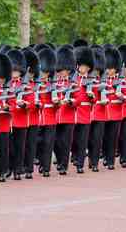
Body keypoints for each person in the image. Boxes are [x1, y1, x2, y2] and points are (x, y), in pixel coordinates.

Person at [7, 49, 32, 180]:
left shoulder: (25, 84)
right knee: (9, 147)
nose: (14, 73)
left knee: (20, 146)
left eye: (16, 71)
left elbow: (31, 102)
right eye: (12, 70)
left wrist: (24, 104)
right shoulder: (6, 84)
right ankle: (10, 168)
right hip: (9, 119)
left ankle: (18, 169)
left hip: (21, 119)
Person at [71, 45, 96, 173]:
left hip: (85, 113)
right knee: (73, 139)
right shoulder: (72, 79)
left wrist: (92, 97)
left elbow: (96, 99)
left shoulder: (92, 80)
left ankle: (80, 164)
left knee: (82, 140)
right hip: (73, 113)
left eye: (85, 66)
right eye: (81, 66)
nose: (83, 68)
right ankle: (74, 157)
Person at [54, 46, 77, 175]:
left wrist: (70, 102)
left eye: (65, 70)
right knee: (56, 141)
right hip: (57, 115)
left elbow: (77, 98)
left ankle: (64, 165)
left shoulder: (73, 83)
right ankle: (60, 160)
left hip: (68, 115)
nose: (63, 72)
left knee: (65, 142)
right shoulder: (55, 82)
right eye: (61, 69)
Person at [35, 47, 58, 177]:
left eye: (44, 72)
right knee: (38, 142)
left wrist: (57, 103)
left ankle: (46, 167)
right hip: (38, 117)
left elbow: (57, 100)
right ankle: (39, 161)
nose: (42, 74)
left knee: (48, 143)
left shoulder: (53, 85)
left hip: (50, 117)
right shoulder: (36, 85)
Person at [101, 47, 125, 170]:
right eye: (107, 68)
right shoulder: (101, 80)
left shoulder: (120, 81)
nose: (108, 71)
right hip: (104, 113)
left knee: (113, 138)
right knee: (104, 137)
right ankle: (105, 156)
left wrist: (121, 96)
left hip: (116, 113)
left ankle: (110, 161)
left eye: (110, 68)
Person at [0, 53, 13, 182]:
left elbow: (13, 105)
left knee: (4, 150)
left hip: (4, 124)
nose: (0, 80)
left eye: (2, 78)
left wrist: (6, 107)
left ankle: (3, 171)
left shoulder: (9, 90)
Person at [88, 45, 107, 172]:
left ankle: (94, 162)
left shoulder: (102, 81)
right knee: (88, 138)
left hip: (100, 113)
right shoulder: (87, 80)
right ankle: (90, 158)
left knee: (97, 138)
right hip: (88, 113)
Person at [23, 48, 41, 179]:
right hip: (22, 118)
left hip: (33, 118)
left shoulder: (37, 84)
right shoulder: (19, 84)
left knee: (31, 144)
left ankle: (29, 168)